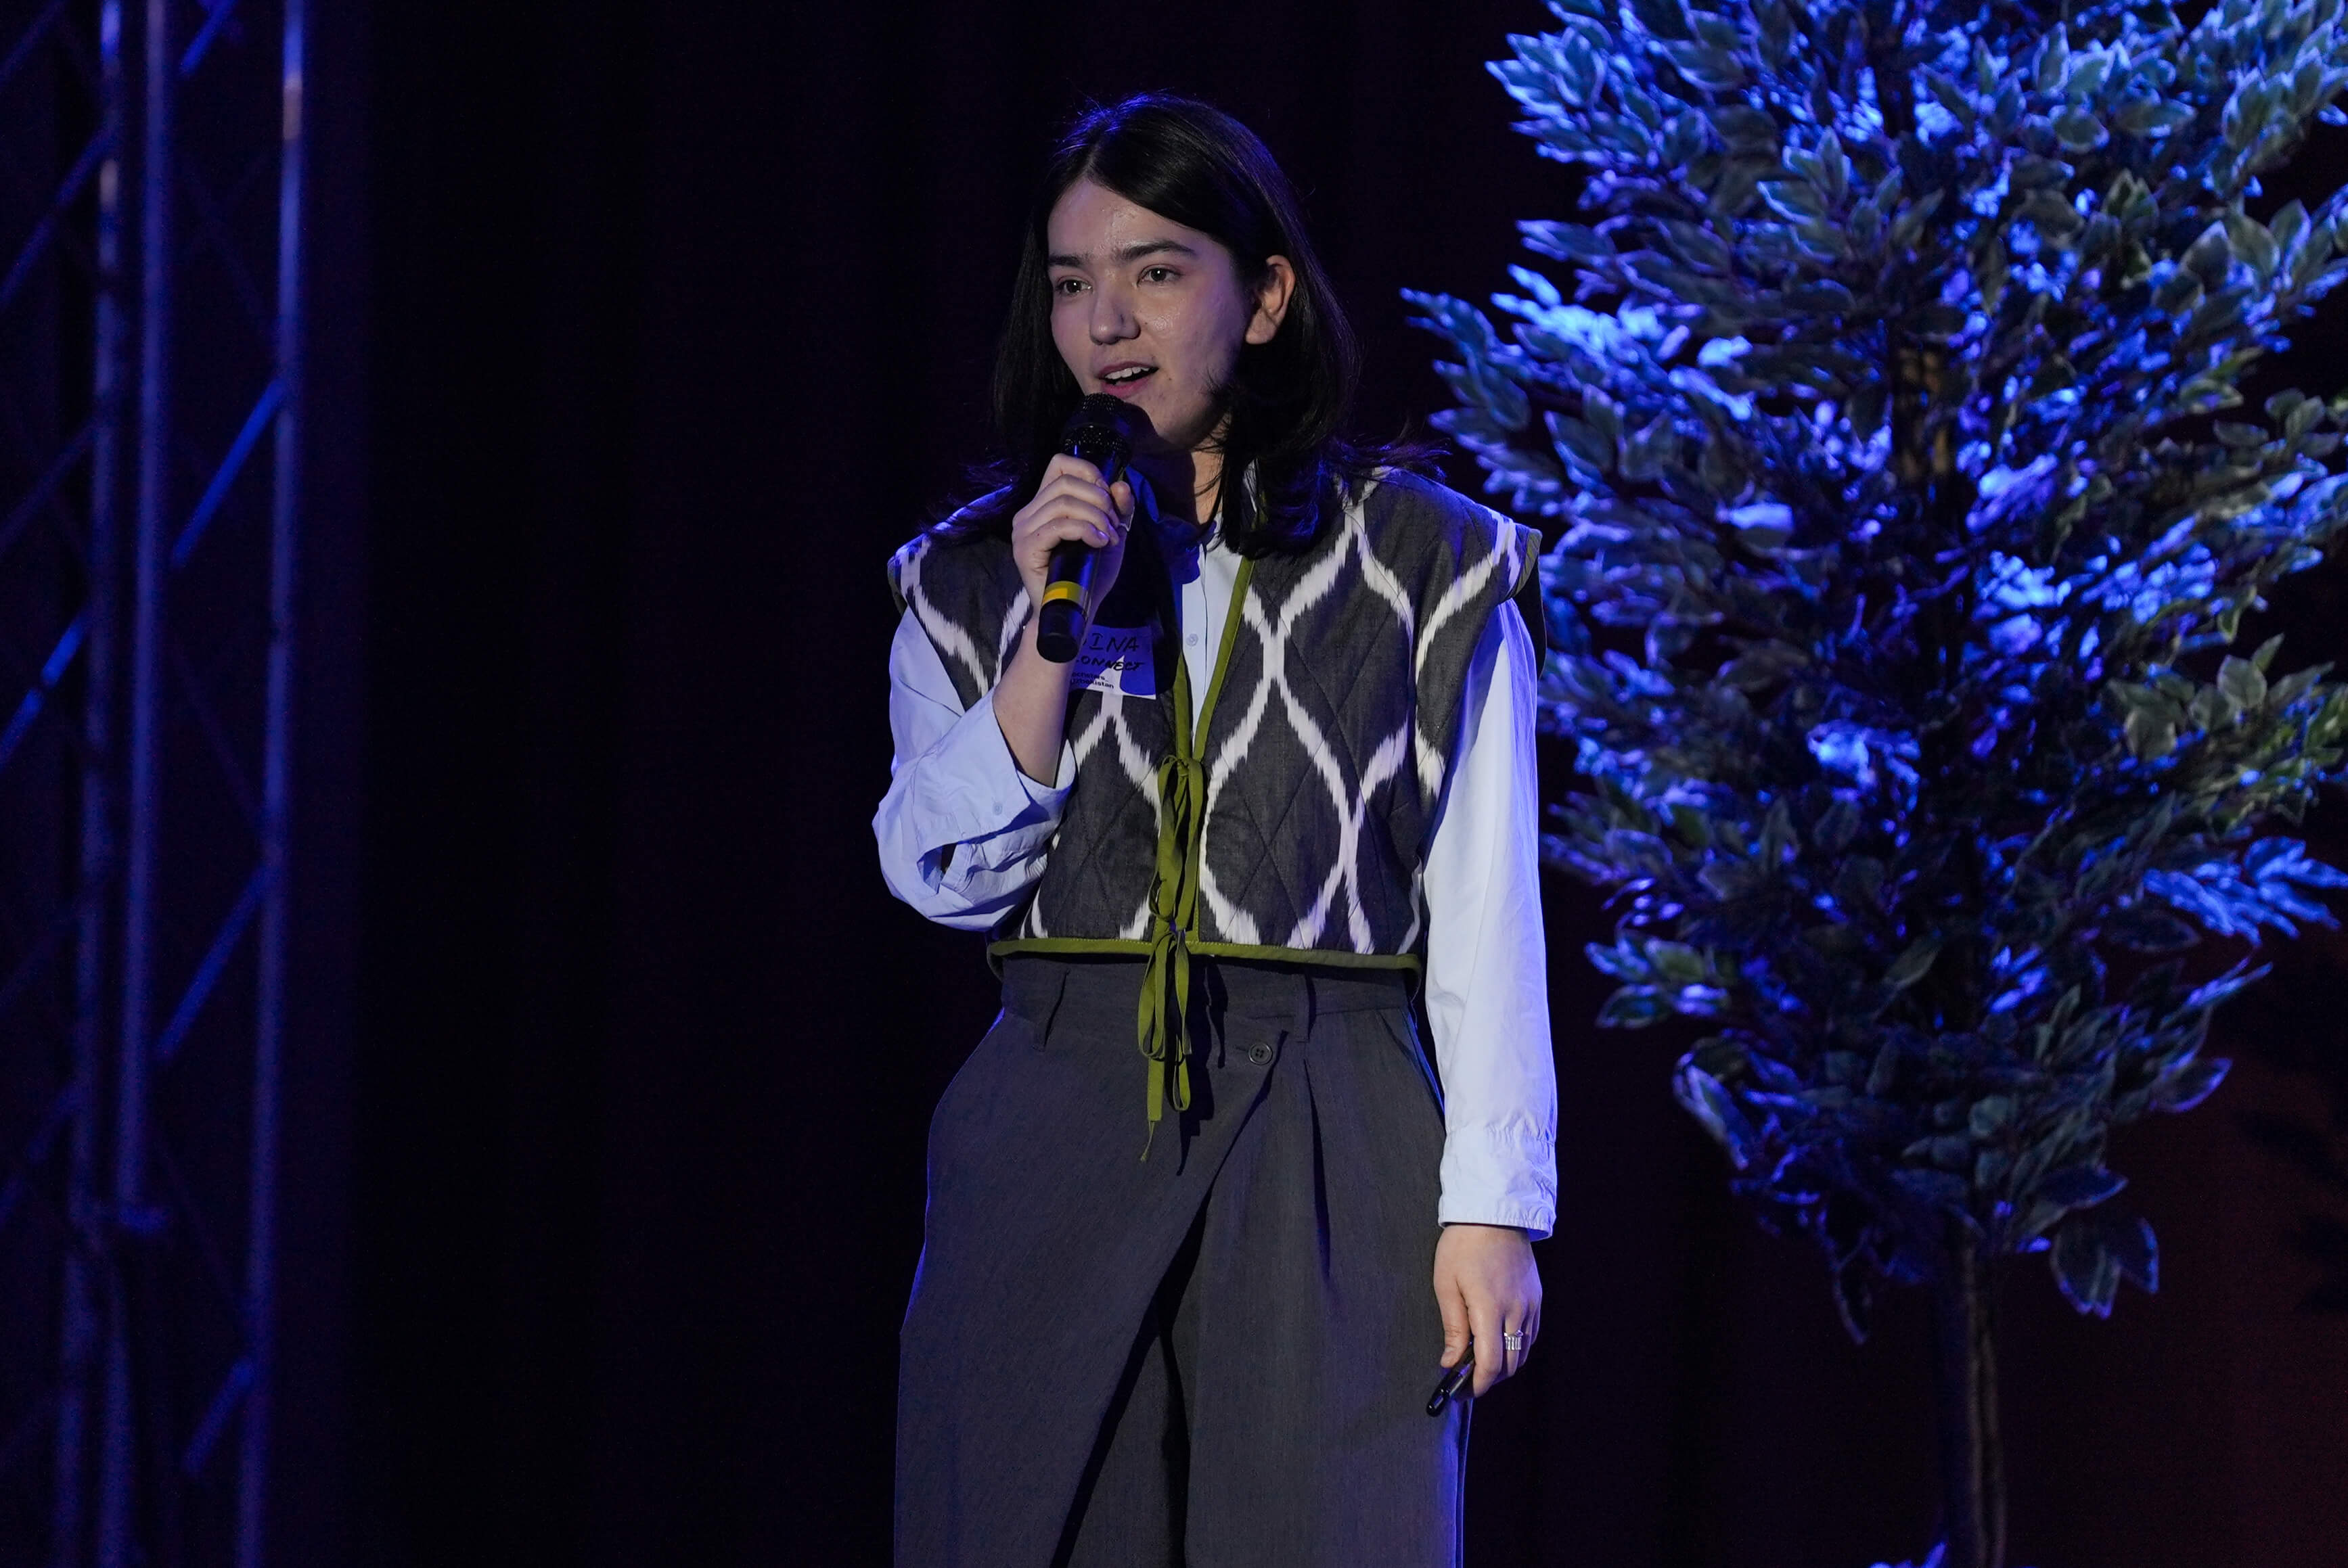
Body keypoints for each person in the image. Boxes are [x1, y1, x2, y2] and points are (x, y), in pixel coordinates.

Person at [874, 93, 1556, 1567]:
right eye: (1070, 283)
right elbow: (938, 876)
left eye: (1156, 271)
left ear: (1263, 298)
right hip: (1059, 1095)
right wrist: (1047, 641)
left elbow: (1486, 899)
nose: (1106, 321)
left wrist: (1493, 1204)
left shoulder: (1428, 563)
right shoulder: (971, 580)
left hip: (1334, 1105)